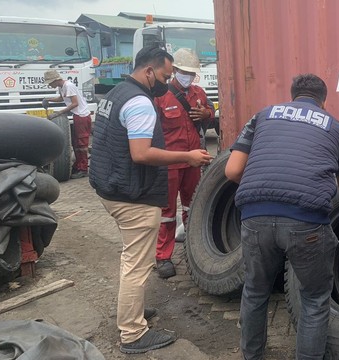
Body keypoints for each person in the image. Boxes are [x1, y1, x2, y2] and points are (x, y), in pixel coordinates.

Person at [225, 73, 339, 359]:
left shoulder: (262, 116)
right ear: (323, 100)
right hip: (306, 223)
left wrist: (267, 189)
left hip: (254, 216)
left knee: (255, 292)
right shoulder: (334, 127)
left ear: (292, 95)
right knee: (315, 299)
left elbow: (231, 171)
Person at [88, 46, 213, 354]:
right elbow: (141, 153)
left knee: (131, 258)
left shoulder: (116, 93)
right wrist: (187, 155)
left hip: (112, 189)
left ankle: (133, 311)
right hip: (132, 196)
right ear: (148, 71)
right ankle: (132, 334)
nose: (167, 81)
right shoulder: (141, 101)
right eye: (165, 75)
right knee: (137, 264)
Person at [154, 48, 213, 279]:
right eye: (184, 72)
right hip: (169, 163)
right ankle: (163, 257)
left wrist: (206, 113)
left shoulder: (198, 93)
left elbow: (211, 111)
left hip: (194, 161)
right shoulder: (161, 96)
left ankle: (193, 247)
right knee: (167, 213)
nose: (188, 76)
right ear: (175, 70)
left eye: (192, 73)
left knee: (192, 206)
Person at [42, 69, 92, 179]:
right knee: (75, 143)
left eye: (50, 83)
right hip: (77, 115)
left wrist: (59, 113)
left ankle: (83, 169)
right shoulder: (61, 87)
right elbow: (61, 98)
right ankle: (78, 165)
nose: (50, 85)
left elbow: (75, 103)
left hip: (82, 116)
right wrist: (48, 99)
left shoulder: (69, 86)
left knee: (81, 144)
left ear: (55, 80)